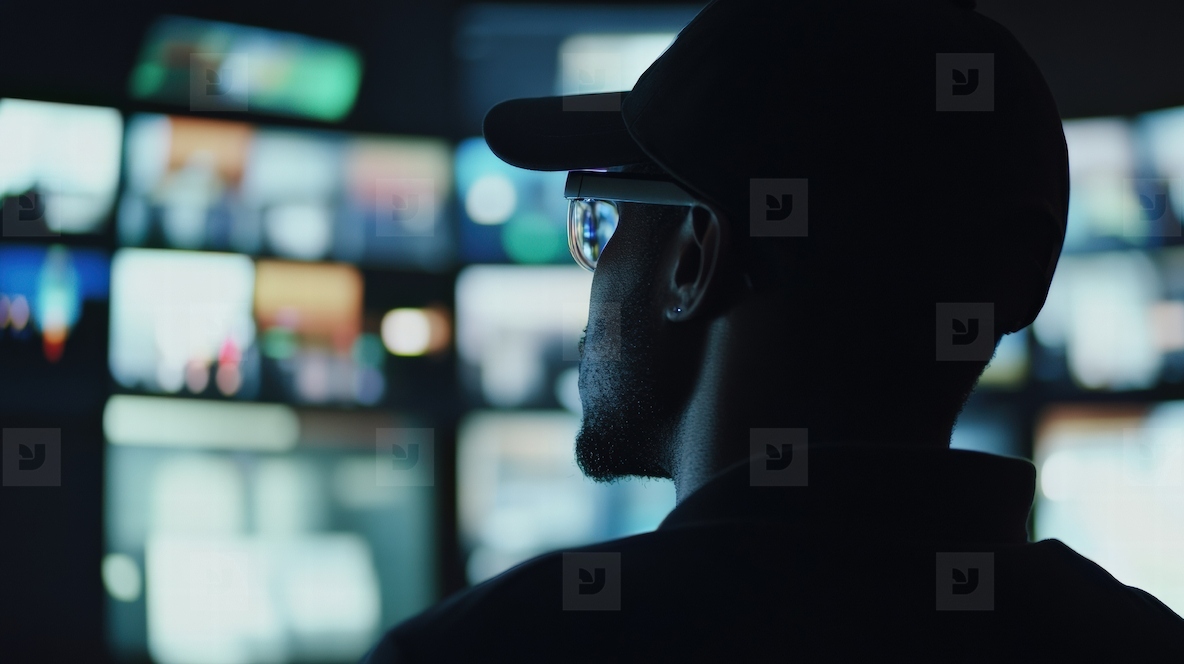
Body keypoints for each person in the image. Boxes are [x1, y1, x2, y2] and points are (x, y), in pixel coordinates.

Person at [364, 0, 1184, 660]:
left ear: (694, 260)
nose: (597, 269)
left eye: (605, 220)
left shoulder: (496, 644)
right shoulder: (1138, 640)